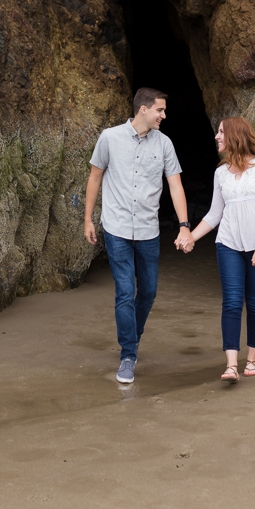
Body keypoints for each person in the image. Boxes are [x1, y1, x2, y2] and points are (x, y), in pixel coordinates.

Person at [84, 88, 189, 385]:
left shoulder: (165, 144)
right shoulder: (110, 138)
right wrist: (87, 219)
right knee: (125, 292)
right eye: (160, 110)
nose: (164, 116)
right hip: (116, 227)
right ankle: (128, 354)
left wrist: (184, 224)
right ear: (143, 109)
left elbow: (176, 186)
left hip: (147, 229)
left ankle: (132, 332)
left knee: (150, 291)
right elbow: (95, 177)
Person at [177, 117, 255, 382]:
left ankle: (253, 357)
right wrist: (191, 238)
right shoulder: (220, 172)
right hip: (229, 244)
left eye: (221, 132)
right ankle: (232, 364)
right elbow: (214, 214)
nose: (217, 136)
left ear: (234, 135)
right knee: (232, 302)